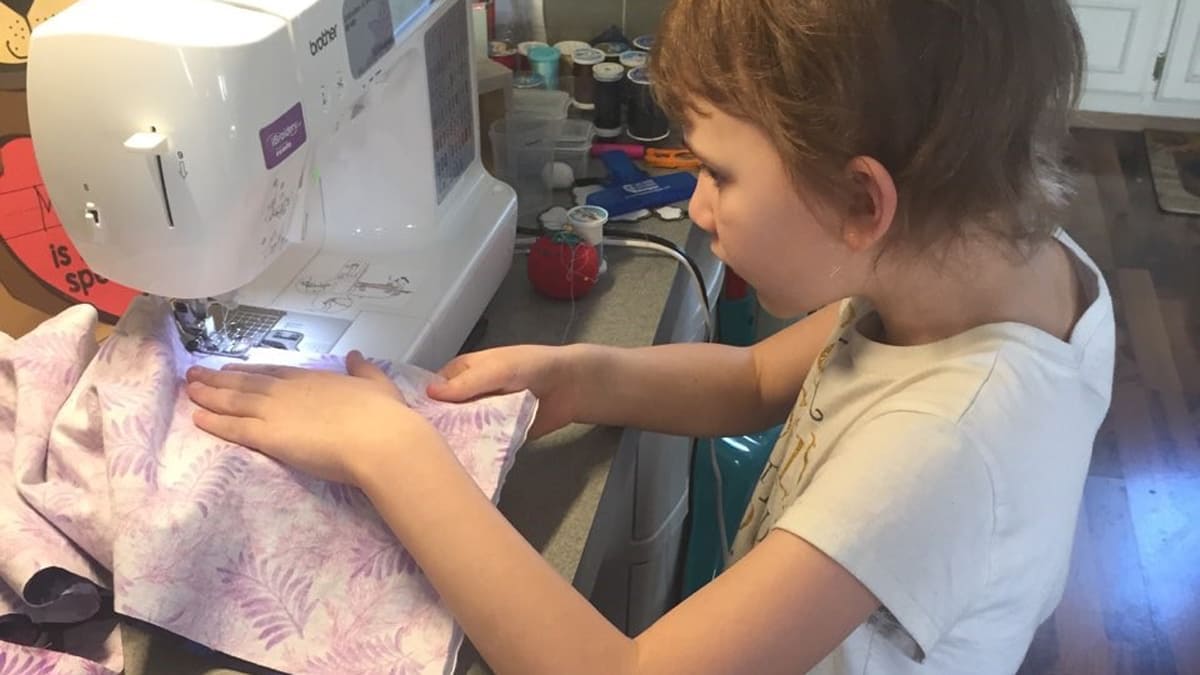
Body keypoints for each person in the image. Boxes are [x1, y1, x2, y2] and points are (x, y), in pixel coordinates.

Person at [184, 1, 1115, 672]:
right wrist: (586, 375)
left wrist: (388, 449)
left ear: (863, 202)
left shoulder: (945, 449)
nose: (698, 205)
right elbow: (756, 375)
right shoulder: (971, 259)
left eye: (718, 173)